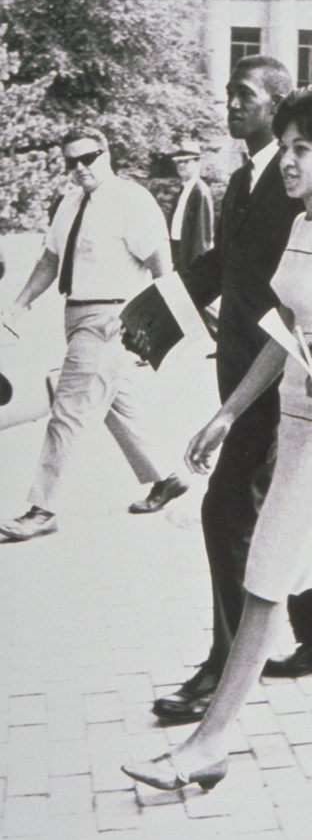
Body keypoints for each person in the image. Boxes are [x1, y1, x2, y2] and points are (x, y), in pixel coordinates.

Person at [121, 87, 312, 790]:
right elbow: (283, 333)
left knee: (264, 579)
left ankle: (210, 743)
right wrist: (228, 411)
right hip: (293, 419)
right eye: (284, 147)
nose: (288, 161)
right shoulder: (300, 227)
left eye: (302, 150)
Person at [133, 58, 312, 727]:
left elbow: (299, 280)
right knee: (276, 506)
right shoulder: (242, 178)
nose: (231, 104)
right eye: (229, 94)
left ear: (279, 103)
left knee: (229, 508)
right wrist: (159, 312)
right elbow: (226, 266)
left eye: (246, 95)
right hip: (241, 366)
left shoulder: (296, 181)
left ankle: (228, 665)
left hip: (285, 371)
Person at [0, 126, 188, 542]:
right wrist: (20, 301)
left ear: (107, 154)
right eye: (72, 161)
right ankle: (167, 478)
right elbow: (51, 257)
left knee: (68, 412)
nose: (81, 167)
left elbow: (161, 263)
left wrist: (154, 327)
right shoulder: (70, 203)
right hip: (77, 314)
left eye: (89, 158)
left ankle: (41, 509)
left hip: (111, 317)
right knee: (113, 404)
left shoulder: (130, 200)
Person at [167, 139, 214, 274]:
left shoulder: (199, 191)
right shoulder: (183, 189)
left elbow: (202, 235)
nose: (181, 165)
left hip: (189, 256)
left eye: (186, 161)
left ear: (197, 163)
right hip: (177, 252)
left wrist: (197, 268)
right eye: (178, 162)